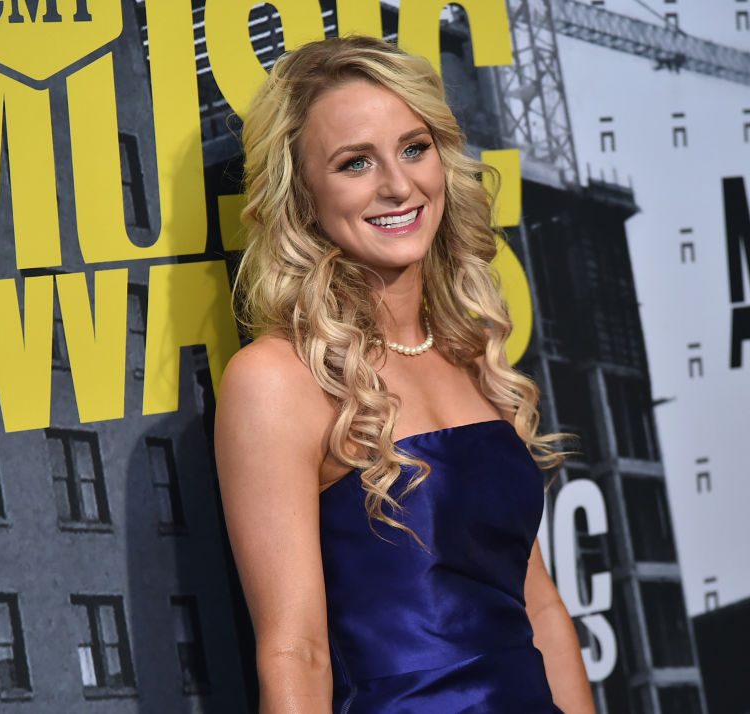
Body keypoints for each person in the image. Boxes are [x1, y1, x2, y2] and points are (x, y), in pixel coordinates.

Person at [214, 35, 596, 713]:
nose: (398, 184)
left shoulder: (469, 349)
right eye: (355, 163)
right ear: (301, 195)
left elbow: (540, 608)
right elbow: (295, 652)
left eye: (414, 148)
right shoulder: (275, 379)